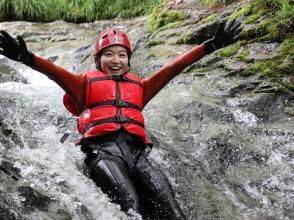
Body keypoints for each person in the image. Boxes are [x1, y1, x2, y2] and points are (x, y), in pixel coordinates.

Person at [0, 19, 242, 219]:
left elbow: (173, 68)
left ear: (128, 60)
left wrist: (209, 46)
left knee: (172, 209)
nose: (116, 60)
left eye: (122, 55)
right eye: (108, 54)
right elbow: (54, 72)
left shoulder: (141, 87)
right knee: (131, 206)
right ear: (98, 60)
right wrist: (24, 56)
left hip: (137, 155)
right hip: (103, 154)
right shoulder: (83, 84)